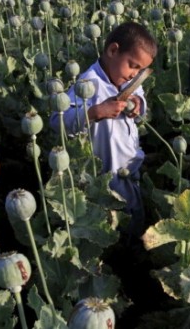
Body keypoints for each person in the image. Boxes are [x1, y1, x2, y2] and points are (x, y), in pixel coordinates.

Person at [50, 22, 156, 238]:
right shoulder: (88, 85)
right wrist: (94, 112)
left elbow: (141, 97)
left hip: (129, 168)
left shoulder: (130, 81)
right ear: (113, 50)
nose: (135, 74)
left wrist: (137, 102)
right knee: (109, 225)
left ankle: (134, 252)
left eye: (140, 70)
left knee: (134, 217)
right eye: (133, 66)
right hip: (103, 177)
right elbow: (57, 121)